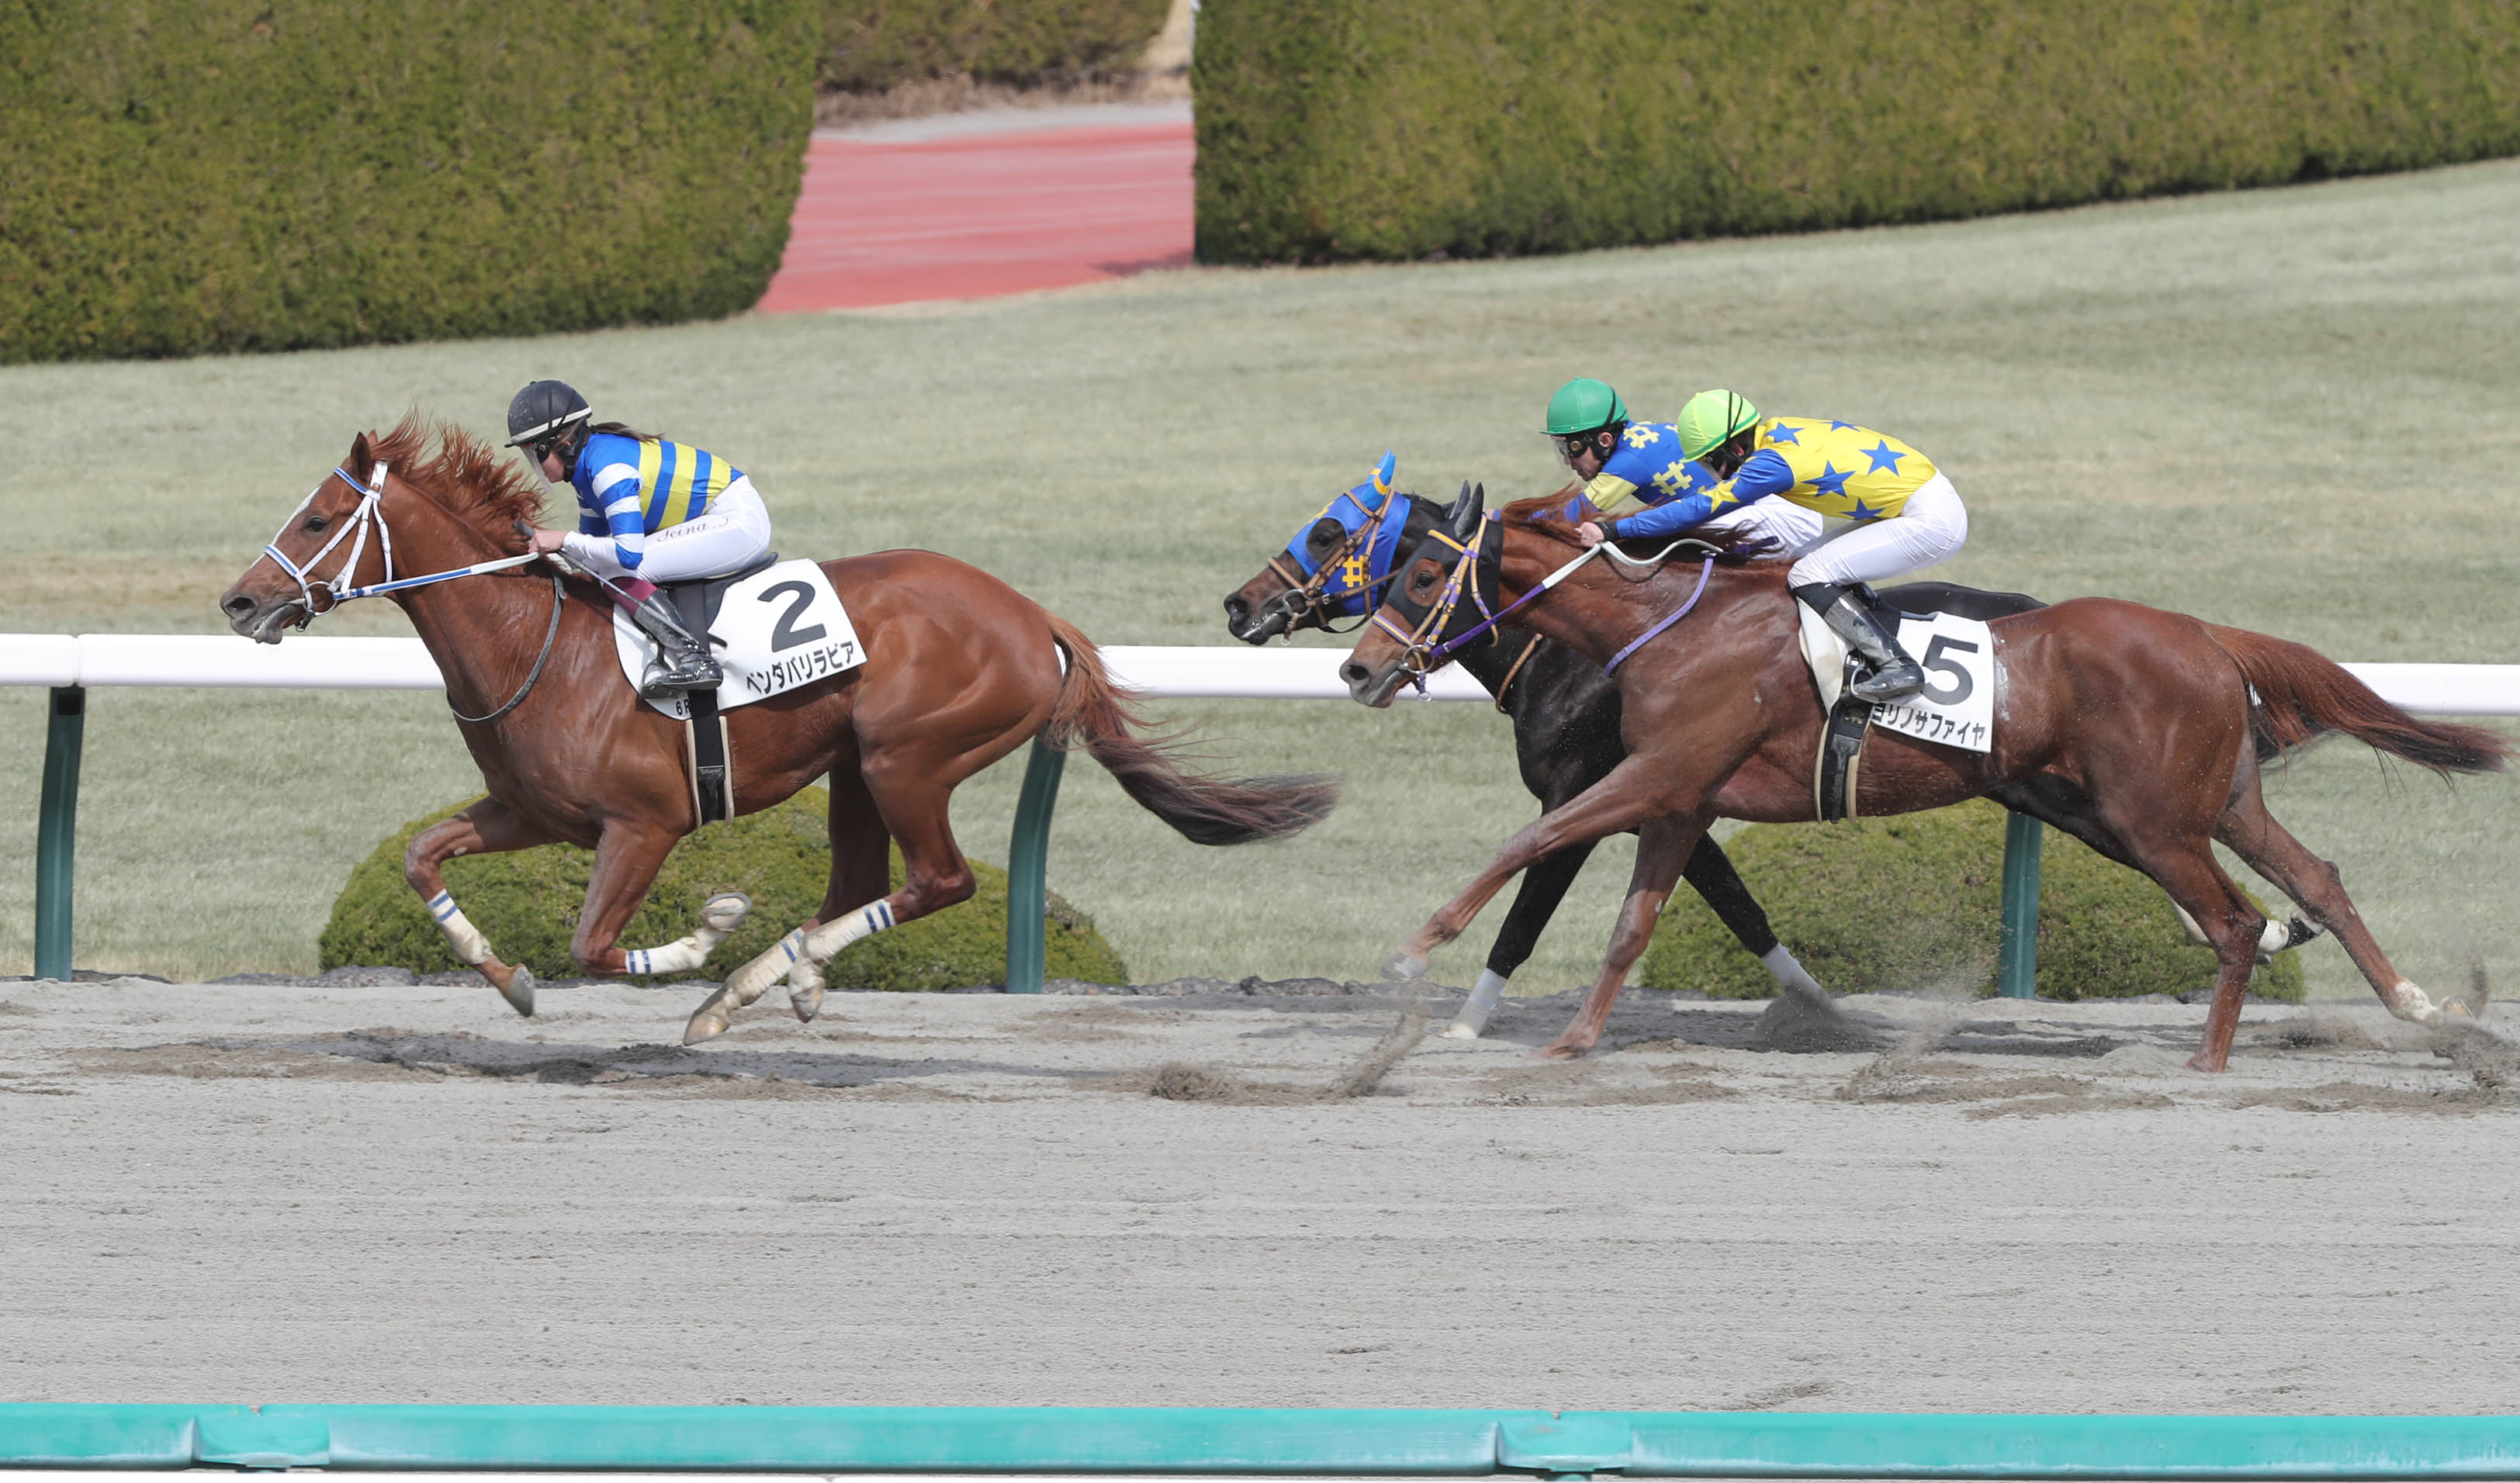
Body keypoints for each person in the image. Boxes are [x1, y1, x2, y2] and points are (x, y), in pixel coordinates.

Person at [1570, 385, 1966, 702]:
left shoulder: (1771, 464)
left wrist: (1616, 530)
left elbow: (1701, 508)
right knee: (1802, 561)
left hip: (1928, 519)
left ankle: (1898, 667)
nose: (1713, 473)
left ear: (1737, 449)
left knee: (1808, 573)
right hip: (1917, 500)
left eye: (1711, 462)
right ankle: (1864, 637)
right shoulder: (1777, 430)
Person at [505, 380, 774, 697]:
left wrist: (563, 539)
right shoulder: (585, 473)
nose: (535, 467)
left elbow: (627, 555)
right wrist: (546, 551)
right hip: (718, 516)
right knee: (604, 569)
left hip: (738, 522)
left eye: (534, 454)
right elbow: (591, 550)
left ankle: (694, 658)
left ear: (559, 443)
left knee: (618, 572)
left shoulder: (607, 471)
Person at [1542, 376, 1824, 562]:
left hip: (1779, 517)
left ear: (1604, 440)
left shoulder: (1628, 463)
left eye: (1571, 449)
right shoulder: (1642, 436)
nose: (1568, 461)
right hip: (1780, 509)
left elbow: (1567, 517)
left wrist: (1515, 521)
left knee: (1658, 543)